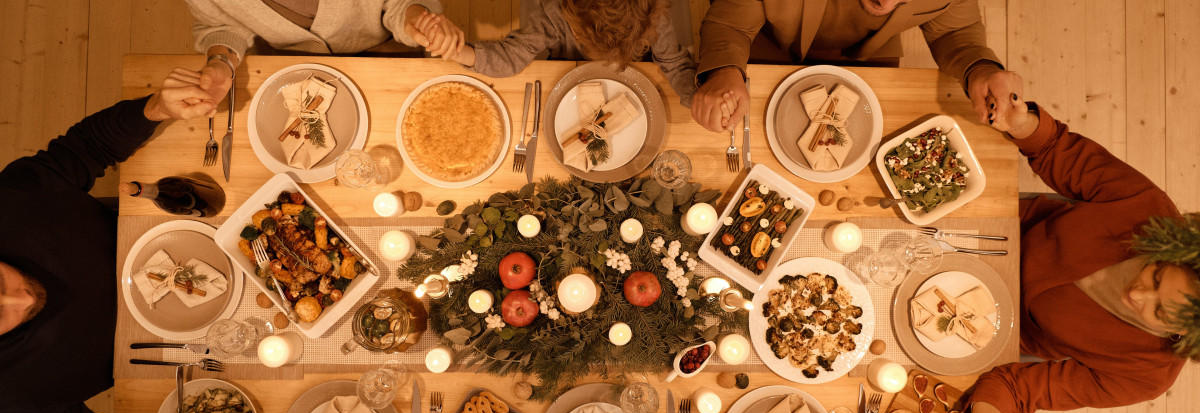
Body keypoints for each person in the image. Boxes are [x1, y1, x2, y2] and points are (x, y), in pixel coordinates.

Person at [0, 70, 222, 413]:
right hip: (185, 346)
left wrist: (153, 109)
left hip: (172, 231)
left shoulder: (9, 204)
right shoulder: (9, 401)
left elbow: (86, 148)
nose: (23, 296)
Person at [964, 92, 1199, 413]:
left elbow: (1020, 388)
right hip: (993, 230)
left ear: (1179, 335)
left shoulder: (1146, 375)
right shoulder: (1150, 210)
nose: (1137, 294)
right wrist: (1023, 123)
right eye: (1156, 275)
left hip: (985, 325)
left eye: (1159, 312)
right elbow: (1058, 148)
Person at [691, 0, 1023, 132]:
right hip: (766, 48)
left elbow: (955, 30)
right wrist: (724, 70)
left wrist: (979, 68)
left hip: (869, 62)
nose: (886, 1)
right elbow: (731, 27)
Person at [410, 0, 698, 107]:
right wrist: (461, 52)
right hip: (565, 84)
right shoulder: (554, 13)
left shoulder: (655, 17)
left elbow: (675, 64)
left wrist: (695, 96)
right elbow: (512, 55)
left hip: (637, 90)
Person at [185, 0, 445, 107]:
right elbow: (221, 25)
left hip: (385, 50)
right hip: (288, 63)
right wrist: (221, 60)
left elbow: (401, 4)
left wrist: (414, 15)